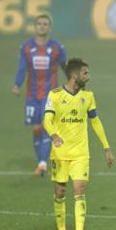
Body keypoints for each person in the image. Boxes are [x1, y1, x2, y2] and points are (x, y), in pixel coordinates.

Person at [43, 58, 114, 230]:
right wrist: (54, 135)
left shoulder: (88, 96)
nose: (89, 77)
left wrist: (106, 148)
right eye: (85, 73)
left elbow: (95, 122)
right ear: (74, 75)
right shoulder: (55, 95)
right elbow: (47, 120)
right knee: (60, 193)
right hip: (60, 153)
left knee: (79, 191)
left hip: (81, 154)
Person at [13, 14, 67, 176]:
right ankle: (42, 161)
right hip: (32, 95)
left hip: (50, 95)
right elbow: (22, 68)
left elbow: (65, 66)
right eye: (39, 24)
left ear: (49, 27)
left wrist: (74, 83)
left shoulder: (57, 48)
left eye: (45, 24)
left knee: (46, 126)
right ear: (35, 27)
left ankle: (43, 164)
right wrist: (17, 84)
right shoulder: (26, 48)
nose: (42, 26)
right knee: (36, 128)